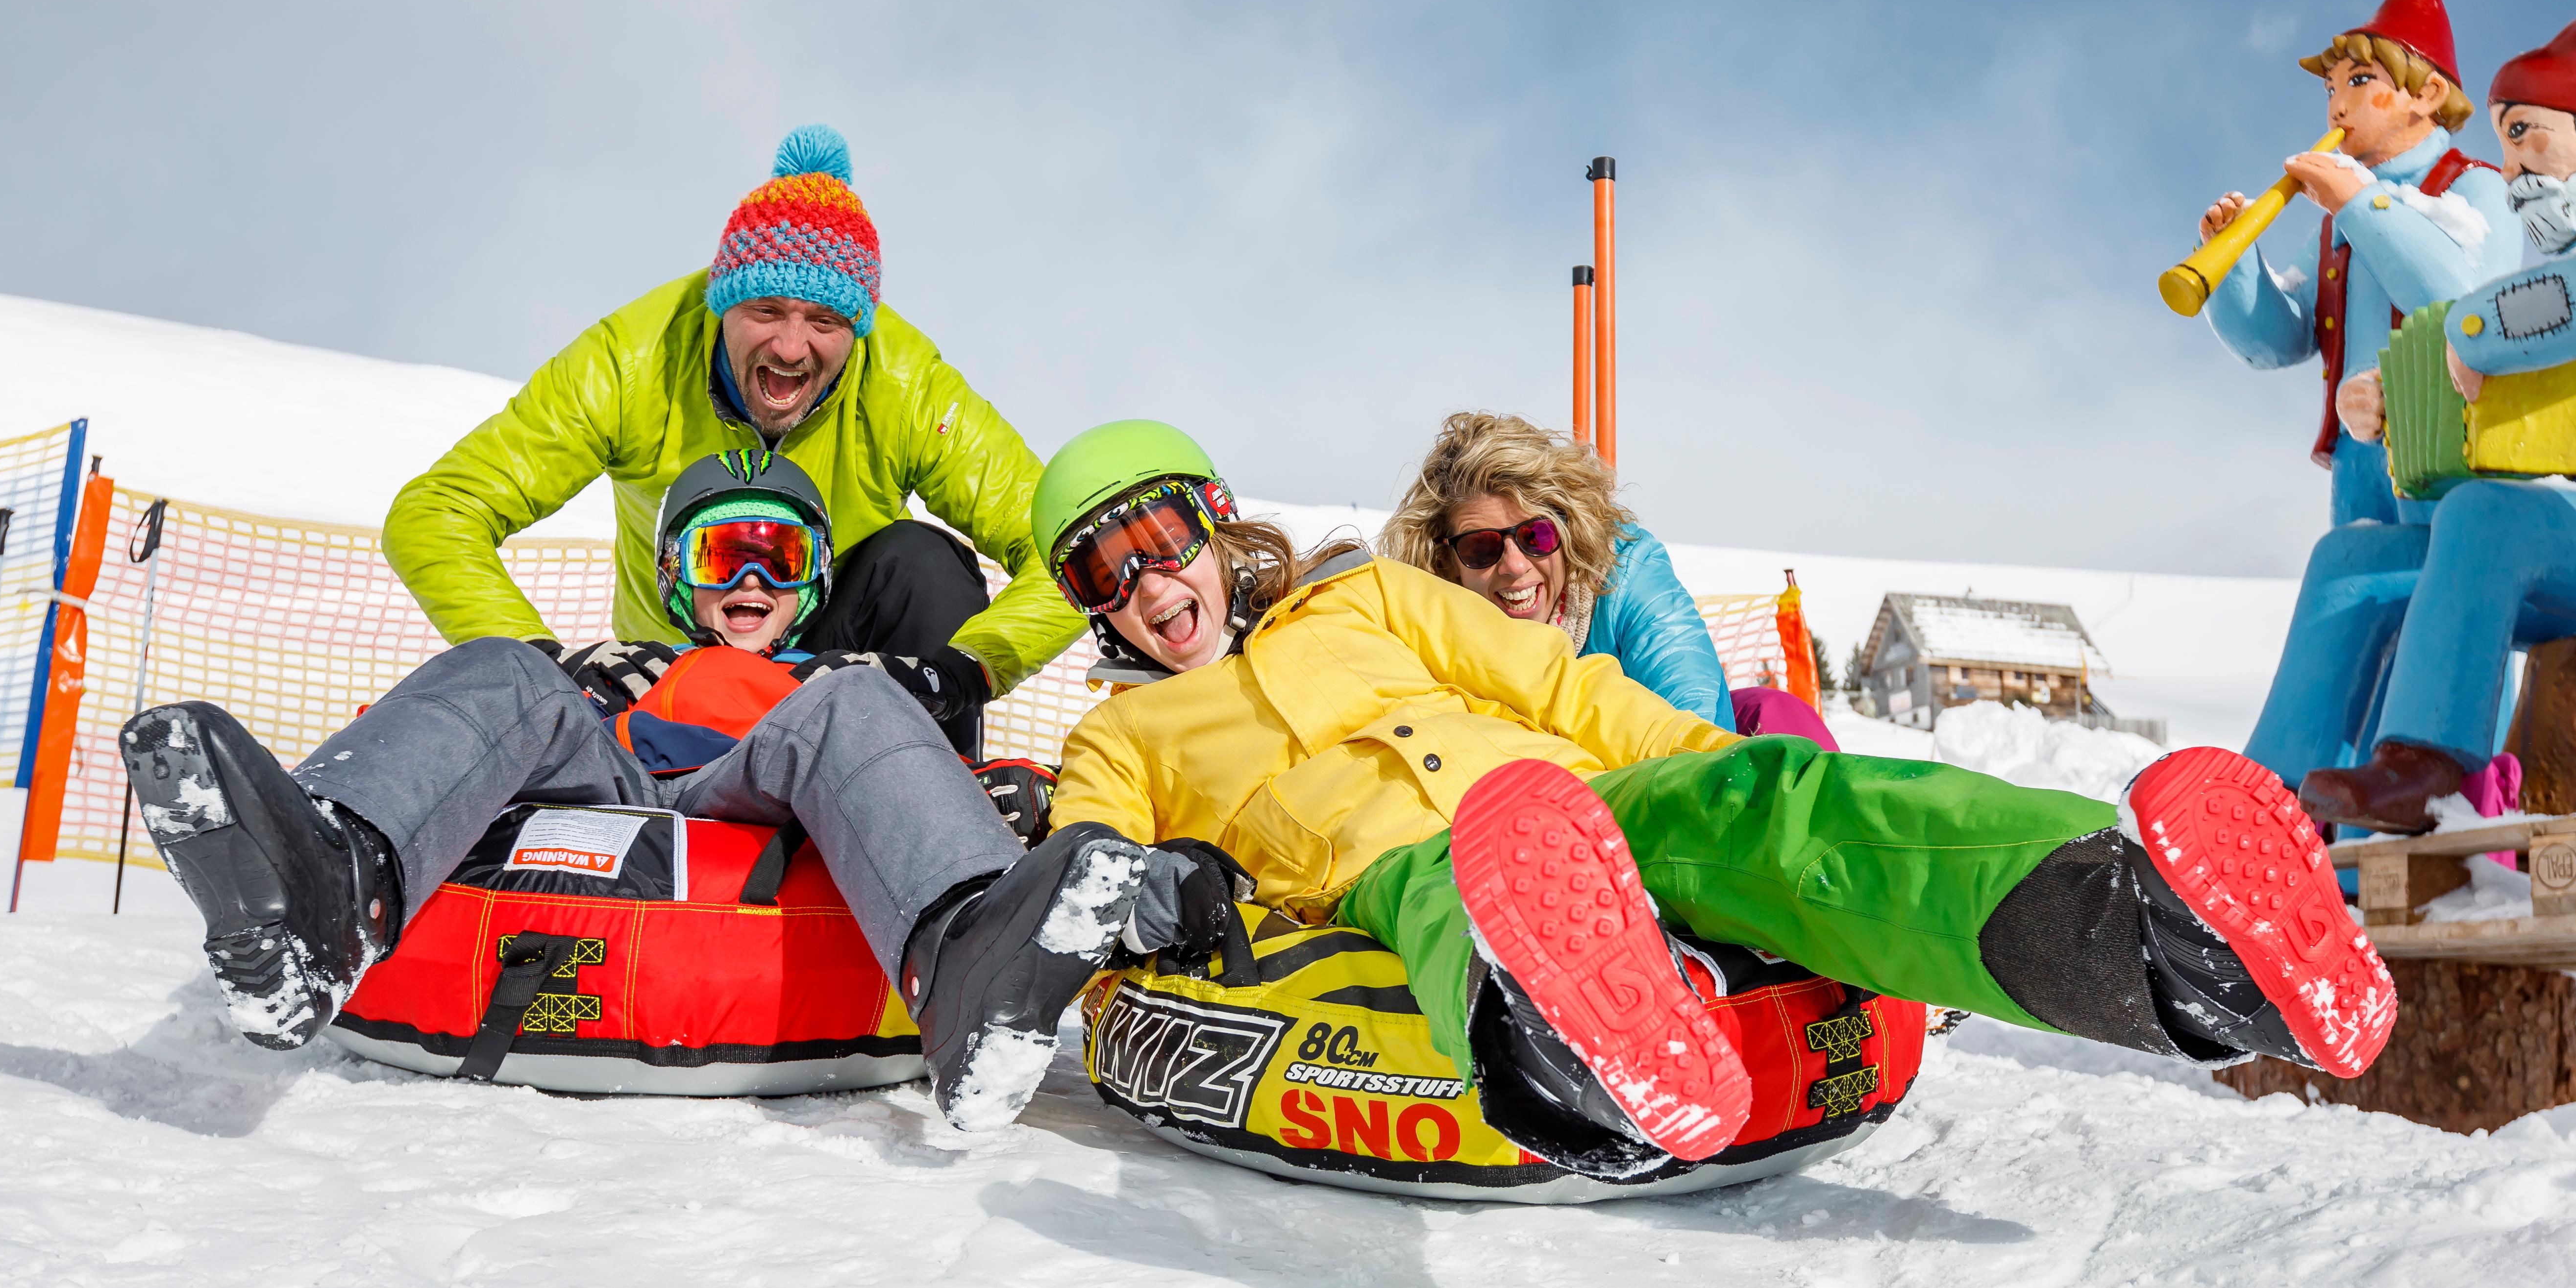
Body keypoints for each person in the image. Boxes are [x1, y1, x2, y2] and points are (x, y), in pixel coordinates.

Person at [1014, 420, 2396, 1182]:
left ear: (1209, 524)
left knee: (1783, 807)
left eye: (1158, 538)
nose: (1147, 583)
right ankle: (1585, 1042)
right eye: (1101, 570)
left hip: (1583, 797)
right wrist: (1149, 889)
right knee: (1455, 895)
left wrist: (1703, 767)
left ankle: (2163, 941)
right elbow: (1089, 860)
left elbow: (1559, 691)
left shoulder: (1367, 599)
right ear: (1087, 605)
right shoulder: (1121, 736)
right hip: (1407, 865)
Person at [119, 446, 1138, 1129]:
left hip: (772, 789)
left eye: (779, 554)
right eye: (721, 550)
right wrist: (577, 668)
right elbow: (531, 727)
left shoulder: (839, 684)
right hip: (616, 780)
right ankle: (330, 890)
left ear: (815, 577)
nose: (751, 579)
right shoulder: (622, 659)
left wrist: (955, 759)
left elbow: (906, 787)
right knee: (504, 666)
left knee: (866, 709)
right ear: (676, 569)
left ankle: (965, 966)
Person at [380, 128, 1085, 762]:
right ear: (723, 303)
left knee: (922, 563)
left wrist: (962, 670)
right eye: (766, 311)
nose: (790, 346)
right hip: (670, 666)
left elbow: (1071, 550)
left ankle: (937, 800)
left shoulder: (904, 385)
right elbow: (438, 512)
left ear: (860, 328)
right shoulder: (632, 363)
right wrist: (546, 664)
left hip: (836, 663)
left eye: (824, 322)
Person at [2291, 0, 2576, 833]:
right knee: (2358, 557)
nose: (2517, 165)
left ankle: (2432, 766)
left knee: (2490, 518)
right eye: (2506, 140)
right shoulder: (2556, 272)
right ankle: (2277, 785)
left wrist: (2474, 330)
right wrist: (2395, 403)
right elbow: (2506, 384)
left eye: (2529, 135)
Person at [2199, 0, 2523, 793]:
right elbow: (2280, 339)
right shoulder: (2340, 213)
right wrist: (2233, 267)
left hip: (2452, 447)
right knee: (2354, 619)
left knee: (2446, 621)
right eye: (2331, 87)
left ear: (2424, 95)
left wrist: (2360, 200)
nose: (2337, 103)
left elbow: (2464, 294)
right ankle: (2312, 802)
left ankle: (2460, 792)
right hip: (2358, 458)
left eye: (2358, 84)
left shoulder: (2471, 188)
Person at [1375, 412, 1740, 731]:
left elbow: (1697, 726)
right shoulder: (1433, 634)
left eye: (1537, 535)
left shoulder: (1627, 579)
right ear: (1446, 561)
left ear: (1570, 529)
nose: (1515, 566)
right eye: (1481, 547)